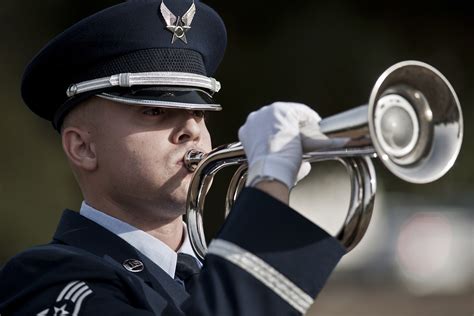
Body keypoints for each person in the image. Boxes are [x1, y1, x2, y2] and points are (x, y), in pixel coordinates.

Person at [0, 0, 346, 315]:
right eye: (155, 111)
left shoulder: (214, 273)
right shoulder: (47, 280)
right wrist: (269, 186)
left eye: (199, 111)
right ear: (83, 148)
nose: (191, 130)